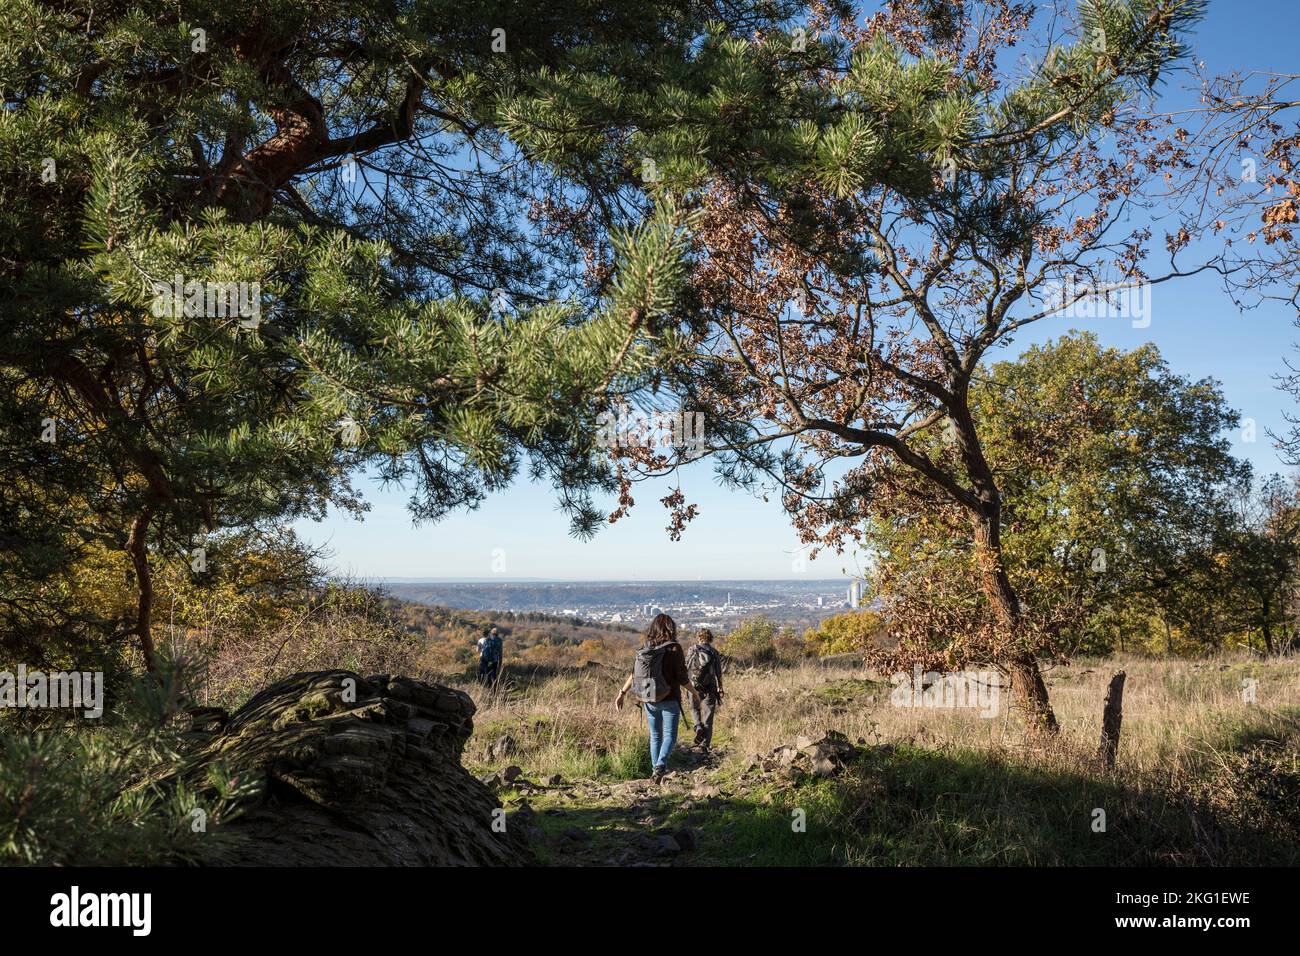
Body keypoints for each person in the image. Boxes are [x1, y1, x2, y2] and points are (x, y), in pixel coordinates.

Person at [614, 613, 699, 784]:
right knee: (670, 736)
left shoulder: (646, 648)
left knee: (655, 736)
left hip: (649, 699)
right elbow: (682, 678)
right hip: (670, 698)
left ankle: (655, 773)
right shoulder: (674, 648)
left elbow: (633, 674)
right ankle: (660, 766)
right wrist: (695, 693)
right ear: (671, 628)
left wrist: (621, 693)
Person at [685, 628, 724, 753]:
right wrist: (720, 687)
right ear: (710, 638)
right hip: (710, 687)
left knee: (693, 708)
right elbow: (718, 672)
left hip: (693, 686)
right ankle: (704, 744)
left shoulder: (692, 649)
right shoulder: (714, 652)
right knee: (708, 715)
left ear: (699, 638)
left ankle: (697, 726)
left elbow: (686, 667)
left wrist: (685, 683)